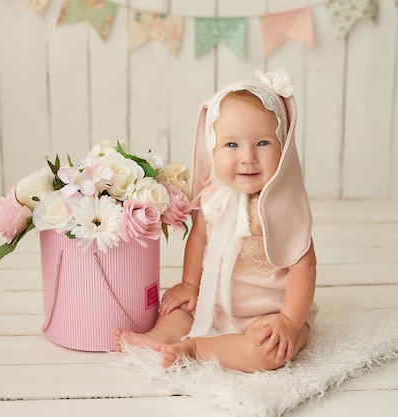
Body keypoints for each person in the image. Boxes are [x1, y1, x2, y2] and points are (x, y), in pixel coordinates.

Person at [114, 69, 317, 373]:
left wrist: (289, 321)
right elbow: (199, 238)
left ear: (283, 147)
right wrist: (190, 284)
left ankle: (196, 348)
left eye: (262, 143)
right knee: (180, 306)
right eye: (232, 145)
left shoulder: (282, 206)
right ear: (212, 148)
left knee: (270, 353)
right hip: (216, 299)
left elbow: (304, 265)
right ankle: (157, 339)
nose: (247, 157)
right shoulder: (213, 198)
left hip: (269, 316)